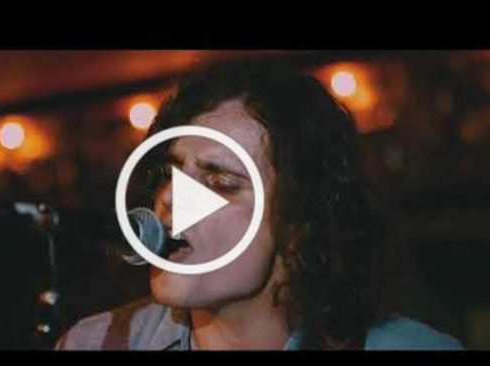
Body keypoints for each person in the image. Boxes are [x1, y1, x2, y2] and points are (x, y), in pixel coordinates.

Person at [56, 61, 463, 350]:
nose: (171, 197)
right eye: (170, 173)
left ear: (299, 221)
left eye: (220, 183)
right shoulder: (96, 342)